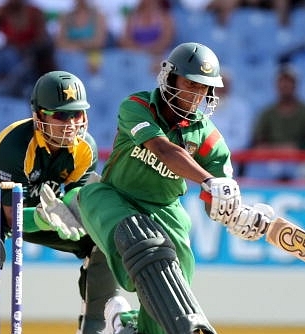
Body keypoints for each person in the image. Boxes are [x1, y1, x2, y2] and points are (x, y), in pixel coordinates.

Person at [77, 42, 275, 334]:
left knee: (172, 290)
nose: (196, 95)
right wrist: (208, 180)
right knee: (141, 238)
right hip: (112, 197)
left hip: (165, 211)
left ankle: (126, 325)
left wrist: (234, 215)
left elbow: (214, 200)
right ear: (169, 77)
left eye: (204, 88)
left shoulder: (209, 137)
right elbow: (162, 149)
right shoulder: (137, 105)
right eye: (190, 83)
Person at [0, 71, 120, 334]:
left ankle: (94, 327)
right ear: (38, 115)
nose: (70, 124)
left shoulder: (85, 149)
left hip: (41, 207)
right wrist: (43, 216)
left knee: (102, 241)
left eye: (77, 114)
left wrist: (74, 209)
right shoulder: (15, 143)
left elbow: (77, 200)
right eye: (60, 115)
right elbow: (10, 216)